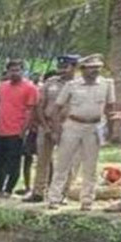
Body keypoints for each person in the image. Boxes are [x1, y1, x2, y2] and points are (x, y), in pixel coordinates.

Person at [47, 54, 116, 211]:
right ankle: (54, 198)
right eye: (91, 68)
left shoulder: (106, 84)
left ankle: (87, 200)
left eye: (97, 67)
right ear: (83, 69)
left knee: (90, 166)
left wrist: (110, 130)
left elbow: (110, 108)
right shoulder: (72, 85)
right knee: (63, 163)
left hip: (94, 126)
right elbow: (57, 108)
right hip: (73, 125)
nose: (95, 71)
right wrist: (56, 129)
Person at [26, 55, 80, 202]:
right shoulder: (50, 82)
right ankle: (38, 192)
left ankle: (62, 193)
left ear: (74, 67)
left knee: (66, 161)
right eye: (60, 67)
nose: (61, 70)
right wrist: (45, 126)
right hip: (47, 126)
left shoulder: (79, 85)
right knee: (42, 160)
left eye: (65, 67)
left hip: (68, 127)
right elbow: (40, 104)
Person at [0, 60, 40, 196]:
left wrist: (24, 130)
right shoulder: (2, 86)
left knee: (14, 162)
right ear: (7, 72)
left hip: (16, 131)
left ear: (23, 71)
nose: (14, 73)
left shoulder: (30, 88)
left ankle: (8, 189)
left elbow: (31, 111)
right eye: (12, 70)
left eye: (17, 70)